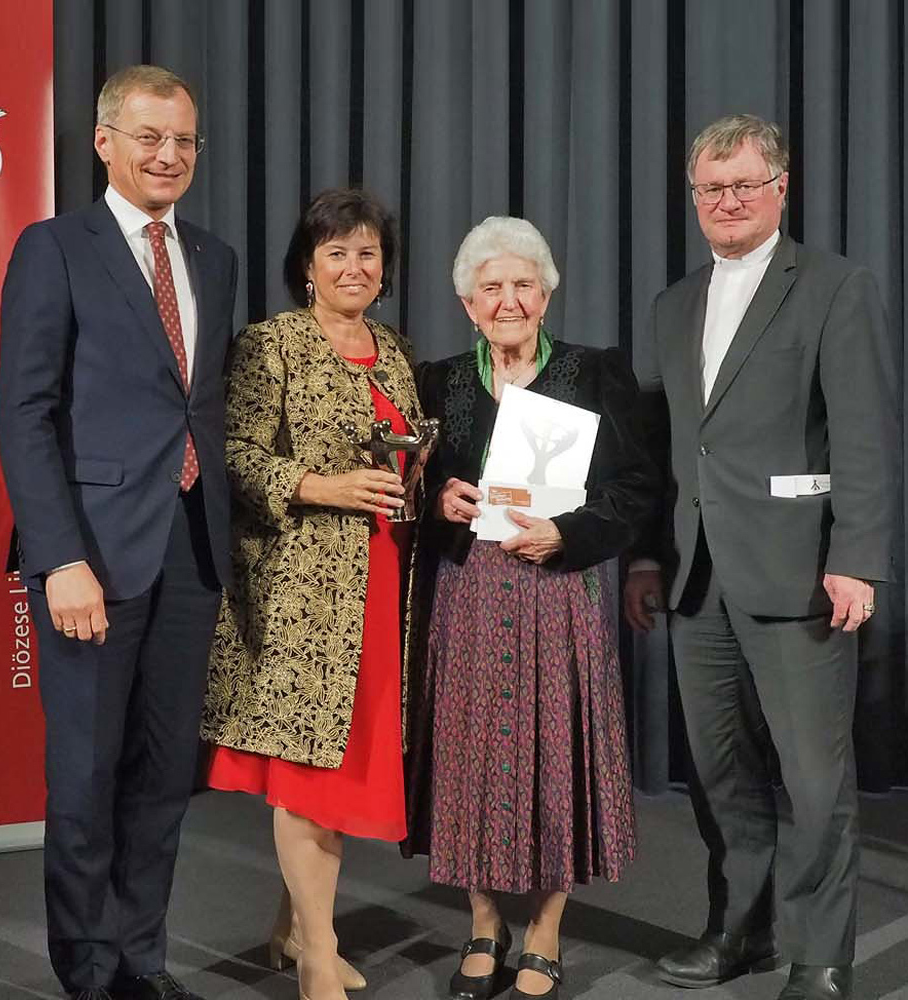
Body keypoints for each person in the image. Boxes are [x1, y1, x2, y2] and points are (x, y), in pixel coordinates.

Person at [624, 115, 897, 1000]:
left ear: (781, 188)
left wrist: (857, 556)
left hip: (803, 574)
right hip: (695, 576)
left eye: (744, 184)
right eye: (711, 188)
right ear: (693, 198)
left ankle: (822, 959)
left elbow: (864, 433)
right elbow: (659, 448)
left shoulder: (834, 286)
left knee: (817, 782)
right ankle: (740, 933)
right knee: (720, 774)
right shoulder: (672, 305)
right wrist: (641, 560)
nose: (727, 201)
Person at [0, 65, 238, 1000]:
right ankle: (88, 974)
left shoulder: (213, 258)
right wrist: (59, 557)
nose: (169, 156)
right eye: (149, 138)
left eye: (183, 140)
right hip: (90, 556)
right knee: (86, 782)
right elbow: (23, 411)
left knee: (160, 778)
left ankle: (143, 960)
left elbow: (200, 409)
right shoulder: (54, 248)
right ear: (104, 142)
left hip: (190, 548)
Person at [403, 217, 657, 1000]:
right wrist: (438, 496)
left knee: (558, 756)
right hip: (468, 592)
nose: (507, 300)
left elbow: (638, 488)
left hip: (562, 591)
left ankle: (546, 928)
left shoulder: (596, 371)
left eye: (523, 285)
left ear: (546, 295)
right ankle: (483, 921)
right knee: (467, 761)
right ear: (466, 302)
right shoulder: (436, 380)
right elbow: (415, 489)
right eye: (491, 287)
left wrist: (570, 530)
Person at [200, 188, 422, 1000]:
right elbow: (234, 457)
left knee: (343, 763)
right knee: (307, 774)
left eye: (368, 253)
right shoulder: (270, 346)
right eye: (338, 253)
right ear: (307, 267)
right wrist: (321, 486)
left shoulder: (393, 351)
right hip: (299, 593)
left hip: (382, 584)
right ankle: (319, 956)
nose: (355, 267)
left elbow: (407, 457)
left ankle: (293, 926)